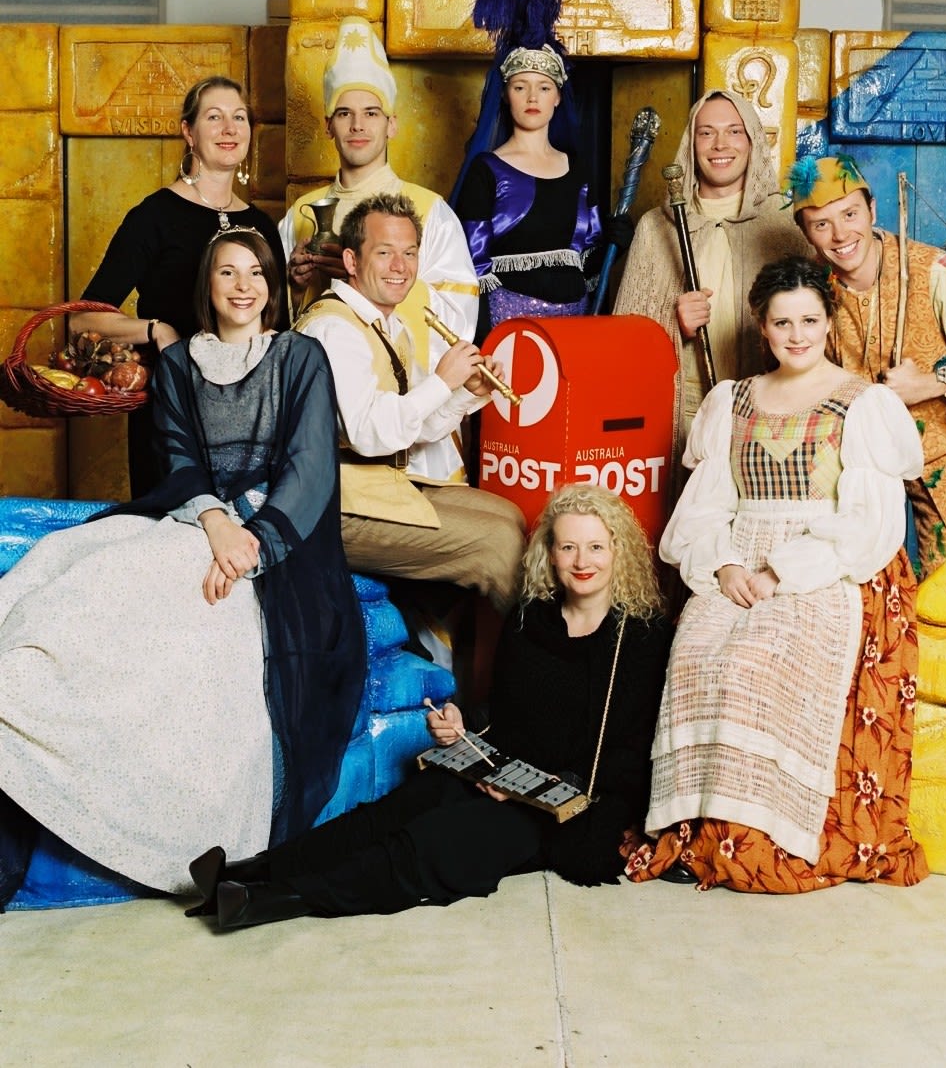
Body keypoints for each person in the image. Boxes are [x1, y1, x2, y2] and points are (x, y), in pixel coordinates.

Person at [0, 229, 365, 910]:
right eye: (227, 272)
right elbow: (177, 455)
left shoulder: (299, 357)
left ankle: (188, 827)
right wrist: (217, 524)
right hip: (195, 521)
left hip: (276, 549)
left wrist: (251, 544)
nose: (242, 284)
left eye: (255, 271)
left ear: (272, 283)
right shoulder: (178, 365)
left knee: (197, 627)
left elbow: (310, 470)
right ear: (208, 283)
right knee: (68, 577)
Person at [185, 484, 671, 931]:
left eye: (595, 547)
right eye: (568, 547)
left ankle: (269, 900)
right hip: (507, 774)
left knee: (437, 842)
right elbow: (506, 720)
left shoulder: (642, 638)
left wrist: (531, 789)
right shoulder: (530, 623)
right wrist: (464, 730)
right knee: (401, 806)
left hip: (571, 804)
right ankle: (248, 871)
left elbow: (630, 754)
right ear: (550, 554)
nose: (581, 560)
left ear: (617, 552)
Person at [622, 255, 929, 892]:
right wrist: (726, 563)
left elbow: (870, 522)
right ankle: (697, 834)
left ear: (827, 321)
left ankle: (765, 836)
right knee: (696, 654)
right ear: (762, 327)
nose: (796, 335)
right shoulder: (729, 401)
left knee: (753, 663)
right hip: (736, 555)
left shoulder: (862, 403)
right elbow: (703, 507)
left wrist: (781, 572)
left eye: (809, 320)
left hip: (824, 564)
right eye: (782, 322)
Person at [293, 192, 526, 636]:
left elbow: (413, 429)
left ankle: (473, 663)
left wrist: (463, 392)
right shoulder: (334, 329)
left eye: (409, 253)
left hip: (376, 484)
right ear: (351, 260)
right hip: (332, 508)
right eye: (384, 253)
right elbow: (370, 435)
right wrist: (441, 380)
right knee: (499, 546)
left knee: (509, 515)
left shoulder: (386, 323)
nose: (400, 266)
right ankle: (542, 670)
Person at [791, 155, 946, 574]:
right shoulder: (812, 293)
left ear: (873, 210)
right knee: (867, 588)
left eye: (850, 214)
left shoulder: (937, 270)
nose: (841, 234)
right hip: (871, 464)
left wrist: (932, 382)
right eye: (822, 224)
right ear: (806, 233)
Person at [78, 76, 288, 495]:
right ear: (188, 132)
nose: (230, 129)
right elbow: (83, 318)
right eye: (214, 117)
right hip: (172, 413)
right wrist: (157, 331)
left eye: (239, 118)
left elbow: (277, 327)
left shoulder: (263, 225)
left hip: (247, 421)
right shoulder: (153, 216)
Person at [614, 89, 799, 481]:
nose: (720, 145)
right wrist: (674, 321)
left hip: (766, 408)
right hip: (686, 412)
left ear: (752, 142)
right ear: (690, 143)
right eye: (706, 133)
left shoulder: (782, 224)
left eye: (734, 132)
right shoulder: (656, 227)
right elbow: (625, 339)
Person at [280, 17, 478, 360]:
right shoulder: (300, 214)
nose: (358, 125)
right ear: (328, 126)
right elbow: (266, 322)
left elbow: (458, 320)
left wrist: (367, 277)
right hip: (318, 381)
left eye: (371, 113)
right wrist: (294, 287)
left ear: (392, 125)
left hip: (398, 390)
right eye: (344, 113)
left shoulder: (430, 211)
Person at [452, 0, 612, 341]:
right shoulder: (486, 171)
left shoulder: (578, 169)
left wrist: (617, 243)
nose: (532, 97)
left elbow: (590, 253)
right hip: (508, 325)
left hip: (576, 322)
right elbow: (471, 265)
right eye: (520, 86)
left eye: (543, 87)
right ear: (505, 95)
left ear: (558, 97)